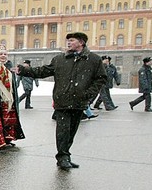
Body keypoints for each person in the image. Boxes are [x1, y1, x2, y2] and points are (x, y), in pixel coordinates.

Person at [17, 32, 106, 169]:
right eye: (68, 41)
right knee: (62, 131)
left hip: (79, 102)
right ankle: (62, 157)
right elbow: (43, 71)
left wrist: (88, 94)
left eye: (72, 40)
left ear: (81, 42)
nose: (68, 43)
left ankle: (66, 155)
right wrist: (24, 70)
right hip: (62, 101)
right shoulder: (60, 59)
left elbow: (100, 78)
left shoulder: (93, 60)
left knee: (71, 131)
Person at [0, 44, 24, 145]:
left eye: (5, 54)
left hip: (10, 98)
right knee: (1, 118)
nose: (3, 56)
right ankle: (2, 139)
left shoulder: (10, 67)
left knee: (10, 119)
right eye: (1, 54)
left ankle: (9, 137)